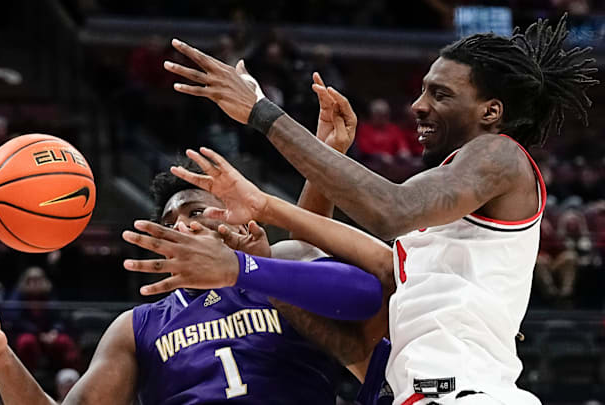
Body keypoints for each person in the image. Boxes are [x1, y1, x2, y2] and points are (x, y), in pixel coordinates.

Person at [162, 14, 597, 404]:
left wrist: (262, 114)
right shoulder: (442, 218)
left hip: (466, 394)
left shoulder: (499, 156)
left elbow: (391, 210)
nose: (418, 105)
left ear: (491, 111)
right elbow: (350, 301)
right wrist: (265, 208)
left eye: (440, 94)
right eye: (423, 90)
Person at [0, 78, 395, 404]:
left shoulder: (274, 266)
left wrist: (323, 160)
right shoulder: (136, 327)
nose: (183, 226)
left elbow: (349, 280)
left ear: (232, 216)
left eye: (196, 211)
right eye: (170, 221)